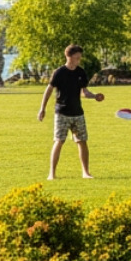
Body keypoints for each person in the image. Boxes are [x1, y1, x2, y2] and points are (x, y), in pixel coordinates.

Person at [37, 44, 102, 179]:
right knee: (59, 141)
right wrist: (42, 108)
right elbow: (49, 90)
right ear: (69, 56)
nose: (79, 60)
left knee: (82, 141)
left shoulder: (81, 72)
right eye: (77, 57)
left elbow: (84, 92)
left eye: (80, 58)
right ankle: (52, 174)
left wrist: (95, 96)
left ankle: (86, 173)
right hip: (62, 113)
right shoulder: (59, 72)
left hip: (78, 113)